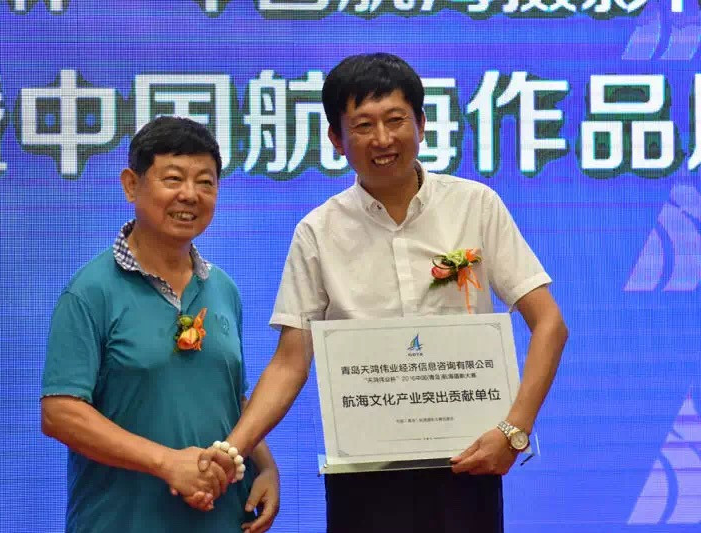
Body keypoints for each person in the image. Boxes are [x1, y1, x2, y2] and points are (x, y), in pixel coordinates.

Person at [213, 53, 568, 532]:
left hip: (468, 465)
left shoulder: (475, 205)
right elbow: (290, 361)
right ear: (336, 139)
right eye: (363, 126)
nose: (382, 139)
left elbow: (549, 324)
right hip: (363, 474)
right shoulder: (318, 231)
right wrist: (233, 450)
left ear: (421, 124)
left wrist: (514, 431)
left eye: (396, 120)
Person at [40, 116, 279, 533]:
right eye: (173, 178)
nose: (190, 194)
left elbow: (230, 396)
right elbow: (60, 412)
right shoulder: (90, 291)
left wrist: (265, 467)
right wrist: (166, 463)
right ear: (131, 185)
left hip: (222, 520)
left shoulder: (223, 289)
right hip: (122, 521)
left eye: (205, 182)